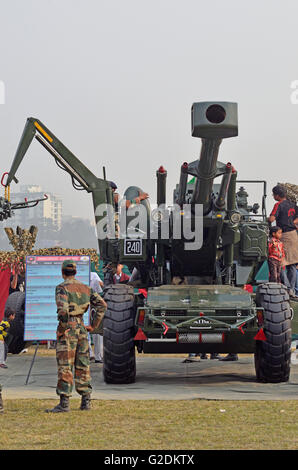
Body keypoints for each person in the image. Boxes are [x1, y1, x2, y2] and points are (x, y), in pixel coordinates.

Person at [46, 260, 107, 413]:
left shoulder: (62, 288)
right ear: (75, 272)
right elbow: (102, 305)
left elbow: (63, 310)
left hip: (68, 329)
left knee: (65, 365)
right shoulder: (85, 288)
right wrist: (94, 325)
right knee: (83, 364)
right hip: (81, 328)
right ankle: (86, 401)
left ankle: (64, 403)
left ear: (62, 272)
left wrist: (63, 326)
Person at [268, 185, 298, 298]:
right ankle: (292, 290)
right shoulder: (292, 204)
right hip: (294, 236)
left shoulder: (278, 205)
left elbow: (272, 219)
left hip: (284, 236)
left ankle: (287, 287)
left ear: (277, 195)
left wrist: (267, 219)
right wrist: (293, 223)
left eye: (273, 194)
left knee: (279, 263)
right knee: (293, 265)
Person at [90, 271, 104, 363]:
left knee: (96, 333)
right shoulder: (94, 276)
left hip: (91, 306)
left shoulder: (94, 276)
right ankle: (94, 355)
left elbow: (100, 287)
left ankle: (95, 355)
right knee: (96, 332)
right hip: (91, 305)